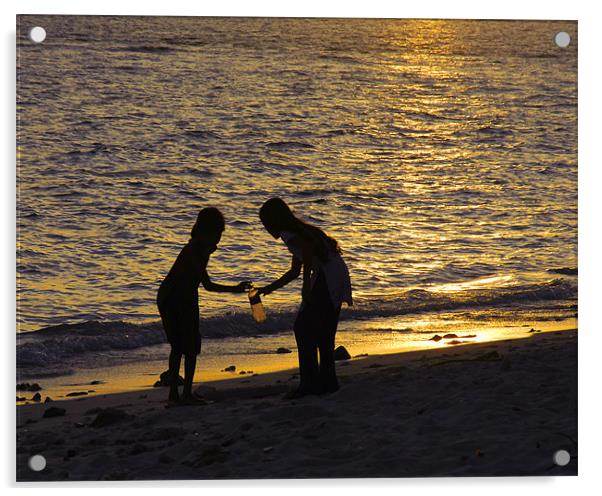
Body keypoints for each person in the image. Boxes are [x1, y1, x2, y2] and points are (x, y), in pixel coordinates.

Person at [256, 198, 352, 398]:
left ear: (274, 221)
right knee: (324, 332)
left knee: (303, 328)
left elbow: (307, 252)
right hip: (337, 273)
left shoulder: (289, 234)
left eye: (265, 223)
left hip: (326, 277)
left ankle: (309, 384)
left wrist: (306, 285)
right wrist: (269, 288)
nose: (266, 228)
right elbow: (294, 271)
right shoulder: (299, 231)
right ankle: (328, 383)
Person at [157, 207, 251, 405]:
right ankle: (178, 394)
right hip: (172, 298)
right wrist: (235, 289)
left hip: (186, 296)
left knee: (190, 345)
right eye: (216, 234)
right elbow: (207, 284)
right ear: (204, 232)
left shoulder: (201, 249)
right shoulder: (194, 251)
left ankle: (184, 393)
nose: (218, 240)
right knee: (180, 346)